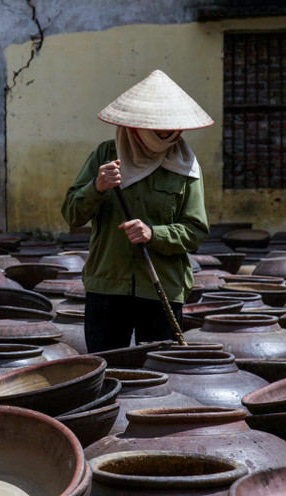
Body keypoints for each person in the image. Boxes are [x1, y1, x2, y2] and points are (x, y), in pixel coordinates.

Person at [61, 70, 212, 353]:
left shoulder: (186, 167)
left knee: (157, 378)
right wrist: (97, 186)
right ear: (137, 126)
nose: (166, 135)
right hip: (107, 286)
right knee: (106, 371)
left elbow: (195, 230)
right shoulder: (105, 156)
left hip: (161, 288)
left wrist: (153, 233)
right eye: (158, 129)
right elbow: (72, 214)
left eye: (172, 129)